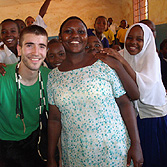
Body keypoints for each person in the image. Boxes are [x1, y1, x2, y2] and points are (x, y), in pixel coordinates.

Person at [47, 16, 143, 167]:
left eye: (81, 31)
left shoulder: (104, 64)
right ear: (60, 37)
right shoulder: (53, 77)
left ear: (86, 36)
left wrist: (136, 143)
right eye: (68, 31)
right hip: (76, 153)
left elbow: (125, 104)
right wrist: (51, 156)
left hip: (114, 150)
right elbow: (54, 119)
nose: (75, 36)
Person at [109, 23, 167, 167]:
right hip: (134, 118)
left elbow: (145, 87)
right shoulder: (122, 54)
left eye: (139, 39)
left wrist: (121, 62)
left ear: (147, 41)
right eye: (129, 38)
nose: (133, 42)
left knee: (154, 158)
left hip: (153, 118)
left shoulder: (152, 57)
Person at [0, 25, 50, 167]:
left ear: (46, 51)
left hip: (35, 139)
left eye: (41, 46)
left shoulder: (49, 78)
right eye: (29, 45)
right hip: (5, 142)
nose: (36, 52)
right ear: (19, 50)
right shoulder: (2, 78)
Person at [86, 35, 139, 101]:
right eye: (87, 47)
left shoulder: (111, 65)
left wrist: (117, 66)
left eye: (97, 45)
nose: (93, 48)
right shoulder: (81, 69)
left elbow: (135, 95)